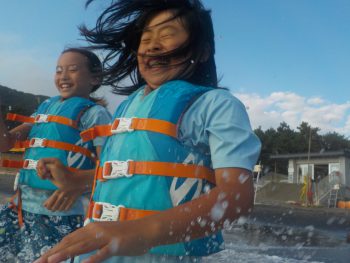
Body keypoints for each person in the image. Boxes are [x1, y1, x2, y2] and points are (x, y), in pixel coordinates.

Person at [35, 0, 261, 262]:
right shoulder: (127, 107)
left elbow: (236, 199)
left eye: (166, 36)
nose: (152, 45)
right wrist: (76, 180)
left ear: (202, 52)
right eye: (146, 39)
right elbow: (131, 174)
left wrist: (137, 232)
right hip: (99, 251)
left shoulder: (216, 105)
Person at [0, 47, 112, 262]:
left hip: (61, 216)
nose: (63, 76)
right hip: (19, 208)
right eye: (59, 70)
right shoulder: (45, 108)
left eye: (72, 70)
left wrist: (80, 182)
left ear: (95, 77)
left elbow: (109, 167)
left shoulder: (96, 114)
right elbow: (5, 143)